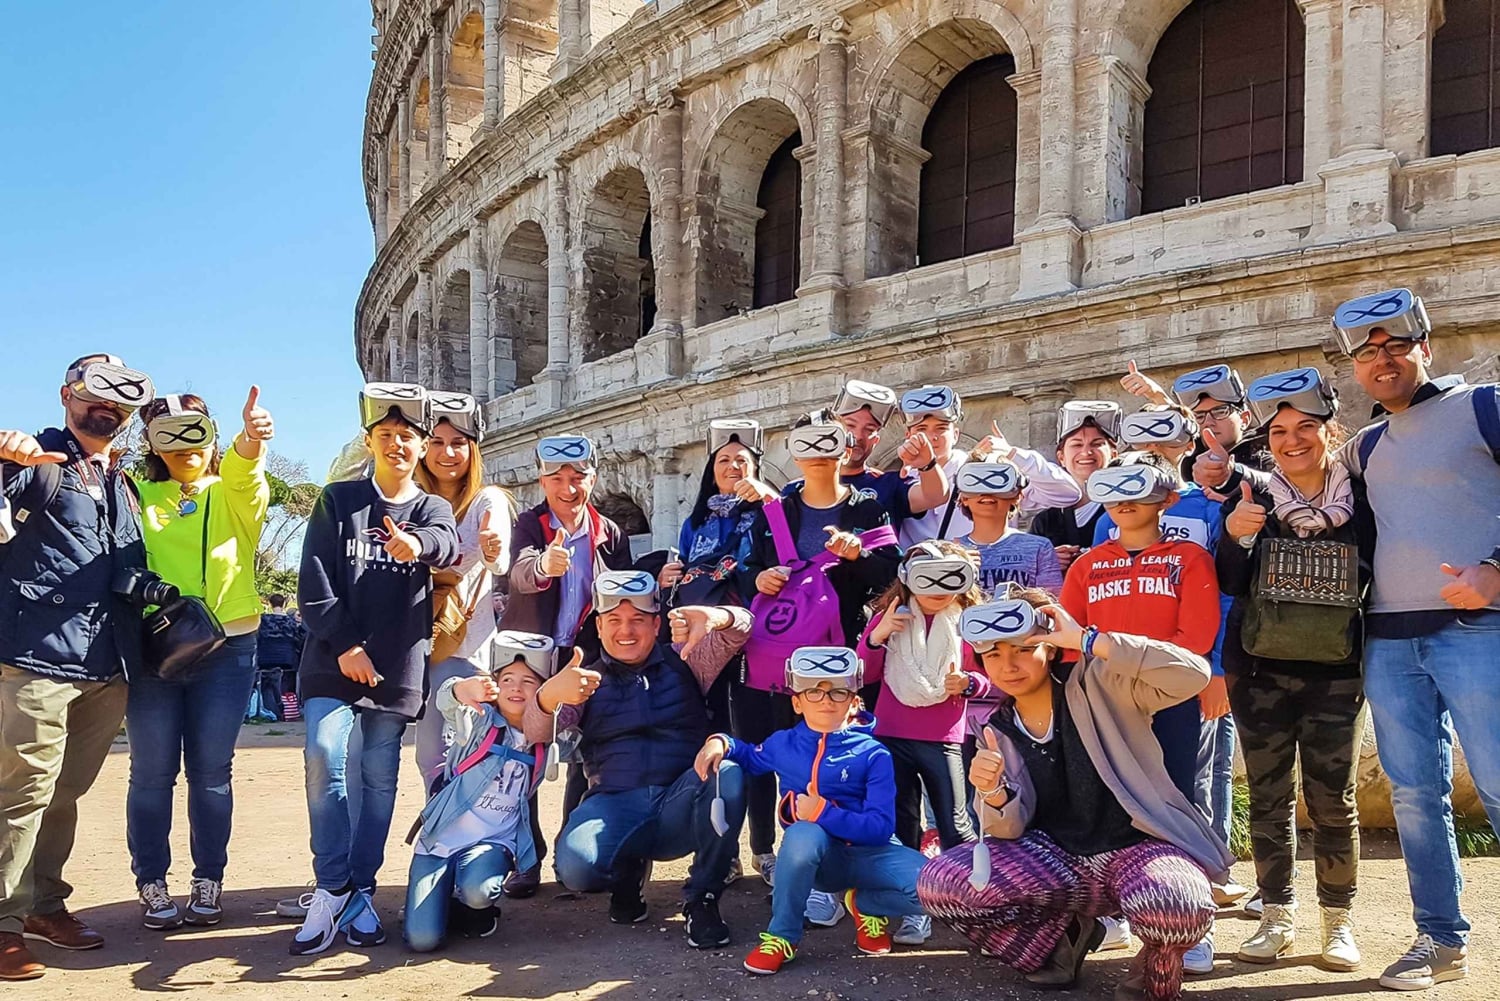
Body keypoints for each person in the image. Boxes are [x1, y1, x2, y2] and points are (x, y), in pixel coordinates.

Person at [918, 592, 1226, 1001]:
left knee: (1175, 908)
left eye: (1025, 649)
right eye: (993, 655)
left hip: (1138, 850)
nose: (1008, 665)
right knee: (942, 883)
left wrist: (1087, 638)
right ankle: (1061, 940)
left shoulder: (1102, 683)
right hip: (1059, 861)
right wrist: (991, 792)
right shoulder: (995, 726)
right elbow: (1005, 834)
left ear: (1051, 646)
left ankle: (1154, 969)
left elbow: (1191, 674)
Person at [1331, 288, 1500, 991]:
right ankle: (1439, 939)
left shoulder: (1485, 406)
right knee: (1413, 796)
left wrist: (1495, 571)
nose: (1382, 360)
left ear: (1424, 347)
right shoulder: (1363, 447)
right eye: (1367, 353)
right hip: (1391, 643)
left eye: (1395, 346)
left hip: (1478, 629)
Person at [290, 383, 459, 956]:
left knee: (379, 780)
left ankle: (361, 888)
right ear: (369, 442)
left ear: (419, 447)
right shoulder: (337, 500)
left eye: (406, 437)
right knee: (323, 754)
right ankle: (331, 884)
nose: (396, 445)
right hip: (333, 660)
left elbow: (445, 542)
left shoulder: (429, 508)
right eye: (385, 436)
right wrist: (343, 643)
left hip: (396, 665)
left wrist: (417, 545)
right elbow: (311, 580)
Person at [1215, 367, 1373, 972]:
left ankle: (1339, 923)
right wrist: (1234, 536)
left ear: (1330, 431)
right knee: (1268, 798)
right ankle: (1277, 915)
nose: (1292, 440)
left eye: (1306, 427)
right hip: (1258, 673)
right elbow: (1228, 582)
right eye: (1279, 430)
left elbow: (1380, 571)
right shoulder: (1251, 498)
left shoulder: (1363, 497)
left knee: (1335, 800)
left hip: (1337, 670)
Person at [0, 355, 152, 980]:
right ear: (67, 395)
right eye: (96, 397)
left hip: (104, 665)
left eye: (121, 405)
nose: (108, 410)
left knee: (65, 792)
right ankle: (4, 921)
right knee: (22, 793)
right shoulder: (32, 463)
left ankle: (43, 906)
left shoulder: (120, 480)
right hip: (34, 658)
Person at [525, 572, 751, 949]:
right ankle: (626, 873)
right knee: (576, 869)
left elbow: (742, 630)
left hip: (680, 802)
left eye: (637, 621)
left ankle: (703, 898)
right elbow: (535, 732)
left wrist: (717, 617)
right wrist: (547, 697)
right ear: (598, 626)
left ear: (656, 623)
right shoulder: (584, 681)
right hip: (615, 802)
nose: (625, 631)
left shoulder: (689, 660)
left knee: (727, 771)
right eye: (614, 621)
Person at [1061, 456, 1222, 972]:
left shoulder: (1191, 558)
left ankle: (1193, 918)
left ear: (1168, 500)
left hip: (1170, 696)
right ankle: (1116, 914)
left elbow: (1195, 639)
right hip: (1104, 704)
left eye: (1138, 491)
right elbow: (1069, 643)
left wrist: (1139, 668)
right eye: (1113, 492)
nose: (1124, 502)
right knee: (1110, 801)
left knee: (1178, 798)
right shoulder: (1087, 566)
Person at [738, 412, 901, 906]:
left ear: (843, 450)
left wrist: (857, 558)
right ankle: (771, 851)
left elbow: (889, 574)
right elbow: (746, 570)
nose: (817, 457)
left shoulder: (868, 508)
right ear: (796, 454)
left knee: (839, 753)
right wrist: (758, 580)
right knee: (773, 748)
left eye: (827, 447)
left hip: (842, 649)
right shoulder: (776, 511)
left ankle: (839, 862)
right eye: (807, 448)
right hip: (775, 656)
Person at [125, 389, 274, 930]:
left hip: (228, 645)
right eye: (166, 432)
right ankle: (151, 880)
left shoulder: (232, 492)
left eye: (193, 428)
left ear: (209, 433)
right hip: (155, 649)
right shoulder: (134, 494)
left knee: (211, 772)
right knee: (151, 772)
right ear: (151, 442)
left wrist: (250, 440)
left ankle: (208, 877)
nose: (183, 443)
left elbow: (244, 475)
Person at [694, 646, 928, 974]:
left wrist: (823, 812)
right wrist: (720, 741)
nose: (827, 699)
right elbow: (748, 755)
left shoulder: (875, 754)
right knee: (802, 834)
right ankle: (782, 936)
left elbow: (880, 826)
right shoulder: (783, 743)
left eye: (838, 691)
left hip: (872, 855)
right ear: (797, 701)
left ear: (854, 700)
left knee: (940, 890)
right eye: (814, 692)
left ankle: (864, 905)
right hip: (820, 861)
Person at [501, 432, 633, 892]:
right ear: (542, 480)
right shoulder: (529, 524)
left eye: (577, 477)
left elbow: (622, 596)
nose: (568, 487)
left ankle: (569, 848)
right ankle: (526, 855)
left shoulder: (609, 532)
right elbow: (518, 572)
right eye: (557, 477)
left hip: (585, 653)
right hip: (533, 655)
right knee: (523, 755)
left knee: (586, 755)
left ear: (592, 479)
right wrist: (542, 568)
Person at [857, 541, 990, 944]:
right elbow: (861, 671)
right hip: (891, 733)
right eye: (926, 580)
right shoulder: (889, 617)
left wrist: (970, 683)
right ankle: (915, 906)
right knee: (903, 824)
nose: (937, 589)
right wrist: (877, 635)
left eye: (949, 579)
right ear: (907, 580)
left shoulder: (969, 620)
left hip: (943, 735)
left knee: (955, 822)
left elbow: (990, 674)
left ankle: (970, 904)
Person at [403, 631, 556, 952]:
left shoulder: (546, 739)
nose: (516, 688)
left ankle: (472, 908)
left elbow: (572, 726)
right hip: (440, 840)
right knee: (422, 941)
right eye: (508, 679)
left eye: (529, 681)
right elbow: (445, 701)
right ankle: (440, 898)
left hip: (491, 844)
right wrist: (460, 688)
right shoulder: (478, 720)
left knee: (480, 891)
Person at [412, 393, 512, 785]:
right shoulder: (412, 503)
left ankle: (458, 839)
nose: (447, 453)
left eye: (458, 443)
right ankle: (440, 836)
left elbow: (498, 560)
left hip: (462, 648)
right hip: (412, 645)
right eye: (436, 442)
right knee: (427, 758)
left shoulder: (486, 499)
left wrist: (493, 545)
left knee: (448, 752)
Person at [897, 387, 1080, 547]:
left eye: (941, 428)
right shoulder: (899, 481)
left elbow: (1068, 493)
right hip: (920, 583)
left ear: (956, 435)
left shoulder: (985, 470)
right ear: (907, 435)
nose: (932, 437)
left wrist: (1013, 454)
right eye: (921, 429)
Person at [783, 381, 948, 531]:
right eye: (850, 425)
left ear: (876, 440)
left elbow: (935, 497)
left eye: (869, 429)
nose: (858, 436)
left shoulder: (888, 484)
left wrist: (927, 465)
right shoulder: (794, 490)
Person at [1030, 401, 1122, 573]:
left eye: (1096, 444)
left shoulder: (1125, 509)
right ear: (1061, 457)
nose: (1086, 452)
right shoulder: (1045, 521)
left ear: (1114, 454)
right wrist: (1047, 560)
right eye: (1077, 444)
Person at [953, 461, 1064, 597]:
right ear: (963, 498)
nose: (987, 492)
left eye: (999, 482)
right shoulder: (951, 552)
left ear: (1017, 496)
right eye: (975, 484)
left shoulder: (1039, 548)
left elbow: (1052, 604)